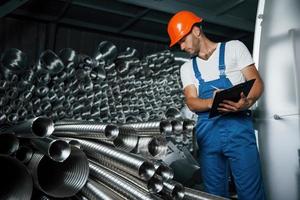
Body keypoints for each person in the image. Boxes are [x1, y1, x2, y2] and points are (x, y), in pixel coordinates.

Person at [167, 11, 265, 200]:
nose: (182, 46)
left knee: (250, 192)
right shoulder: (187, 68)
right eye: (179, 43)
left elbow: (257, 82)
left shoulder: (234, 48)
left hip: (238, 133)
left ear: (196, 31)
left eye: (182, 40)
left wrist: (247, 103)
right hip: (208, 137)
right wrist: (215, 101)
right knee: (213, 195)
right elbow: (192, 101)